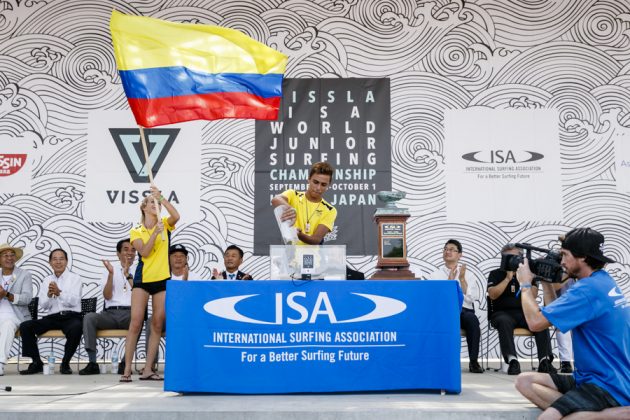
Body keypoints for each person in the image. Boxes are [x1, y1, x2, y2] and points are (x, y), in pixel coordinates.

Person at [515, 228, 630, 419]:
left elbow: (535, 323)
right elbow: (554, 317)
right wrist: (547, 283)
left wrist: (526, 285)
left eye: (565, 255)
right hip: (591, 377)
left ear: (583, 257)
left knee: (554, 417)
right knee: (524, 381)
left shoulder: (587, 291)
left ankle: (613, 414)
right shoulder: (602, 281)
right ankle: (582, 409)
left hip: (608, 384)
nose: (561, 262)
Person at [120, 185, 179, 382]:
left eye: (155, 203)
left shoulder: (165, 223)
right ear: (143, 208)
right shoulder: (135, 230)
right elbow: (144, 252)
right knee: (136, 322)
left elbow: (176, 215)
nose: (154, 205)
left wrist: (161, 197)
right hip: (143, 279)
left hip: (162, 278)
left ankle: (147, 368)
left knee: (156, 323)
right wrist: (155, 233)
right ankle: (127, 369)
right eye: (150, 202)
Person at [487, 244, 555, 375]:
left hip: (524, 312)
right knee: (503, 320)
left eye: (513, 257)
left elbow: (534, 295)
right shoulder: (495, 273)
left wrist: (523, 278)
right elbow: (493, 295)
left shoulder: (528, 274)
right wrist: (507, 278)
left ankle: (544, 360)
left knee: (541, 318)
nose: (509, 260)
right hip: (502, 313)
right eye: (506, 257)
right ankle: (512, 361)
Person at [20, 248, 83, 375]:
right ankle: (36, 362)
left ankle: (65, 363)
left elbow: (75, 301)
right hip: (52, 318)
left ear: (66, 261)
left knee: (77, 327)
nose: (58, 262)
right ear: (50, 262)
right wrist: (49, 295)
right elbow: (43, 305)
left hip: (71, 316)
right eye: (55, 259)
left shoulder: (75, 278)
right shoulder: (46, 280)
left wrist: (59, 293)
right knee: (25, 326)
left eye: (61, 259)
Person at [79, 239, 135, 375]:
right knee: (89, 318)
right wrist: (111, 275)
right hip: (110, 314)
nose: (130, 253)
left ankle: (124, 363)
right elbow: (107, 296)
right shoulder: (110, 270)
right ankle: (92, 363)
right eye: (126, 249)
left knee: (138, 321)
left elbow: (140, 294)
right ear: (118, 253)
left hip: (130, 314)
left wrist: (128, 275)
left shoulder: (141, 270)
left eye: (133, 250)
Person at [426, 239, 483, 373]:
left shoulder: (469, 275)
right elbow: (435, 299)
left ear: (460, 255)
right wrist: (449, 284)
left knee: (473, 321)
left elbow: (471, 298)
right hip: (443, 312)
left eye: (452, 249)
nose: (448, 251)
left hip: (463, 311)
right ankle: (443, 360)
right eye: (446, 249)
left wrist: (462, 280)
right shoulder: (434, 275)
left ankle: (473, 362)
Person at [271, 161, 337, 245]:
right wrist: (290, 210)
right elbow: (275, 199)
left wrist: (299, 234)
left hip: (313, 257)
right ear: (309, 179)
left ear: (328, 185)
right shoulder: (293, 194)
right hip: (290, 255)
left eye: (323, 184)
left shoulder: (330, 210)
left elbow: (316, 240)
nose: (318, 188)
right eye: (315, 182)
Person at [0, 244, 33, 376]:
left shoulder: (24, 275)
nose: (9, 258)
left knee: (7, 324)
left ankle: (0, 363)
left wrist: (7, 295)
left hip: (15, 315)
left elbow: (27, 298)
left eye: (12, 255)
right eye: (5, 255)